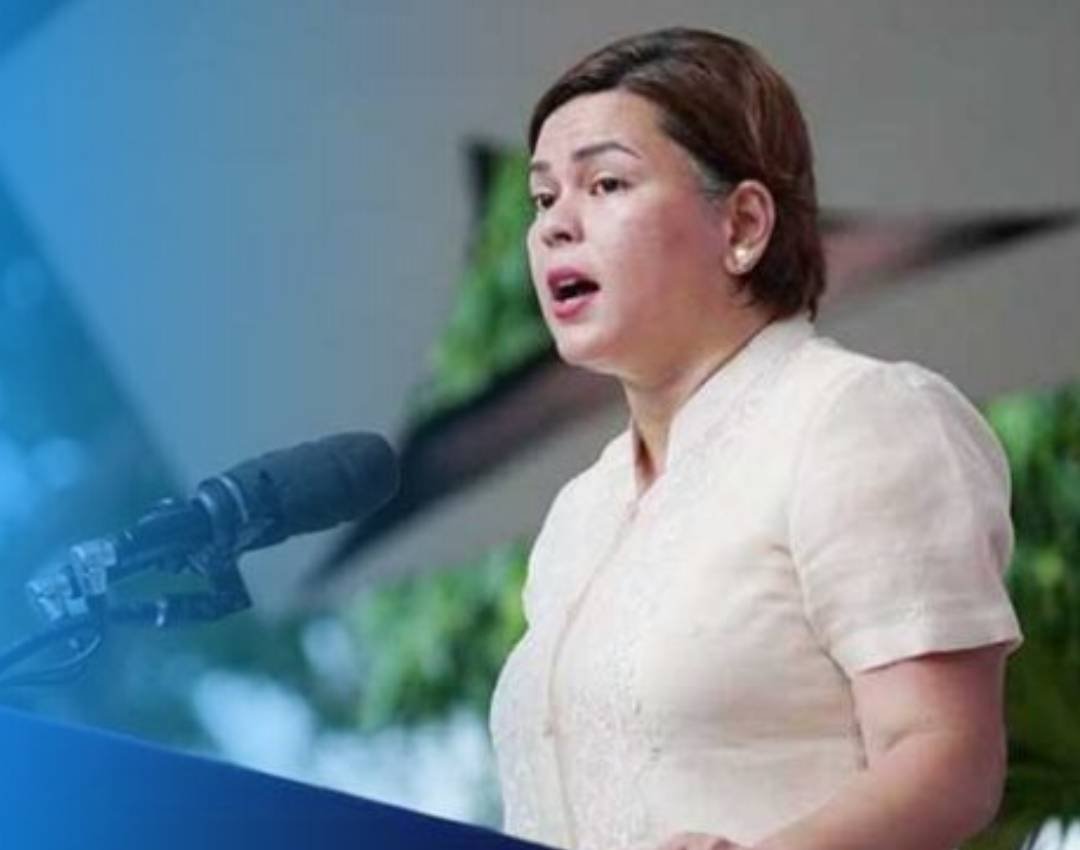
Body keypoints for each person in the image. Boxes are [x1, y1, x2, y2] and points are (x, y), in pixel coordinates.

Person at [489, 27, 1021, 850]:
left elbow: (946, 757)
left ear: (742, 223)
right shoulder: (580, 512)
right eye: (543, 198)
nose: (557, 224)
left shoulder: (856, 417)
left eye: (605, 183)